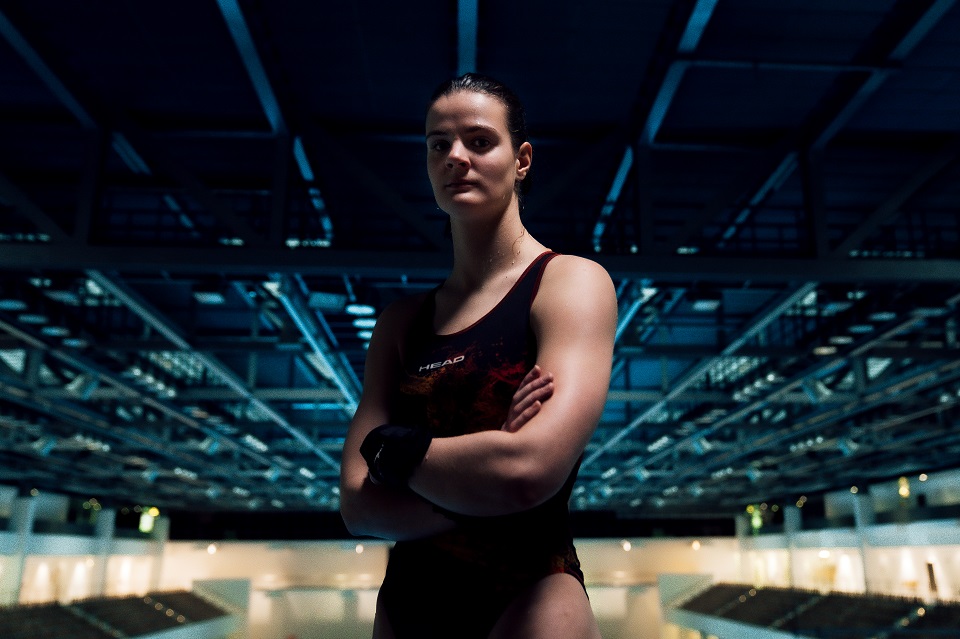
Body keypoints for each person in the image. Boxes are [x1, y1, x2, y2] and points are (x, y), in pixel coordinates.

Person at [340, 73, 617, 638]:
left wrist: (400, 453)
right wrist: (482, 471)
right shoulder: (400, 324)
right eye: (438, 144)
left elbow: (526, 470)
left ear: (521, 160)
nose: (455, 157)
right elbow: (359, 505)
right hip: (408, 605)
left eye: (479, 141)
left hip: (531, 594)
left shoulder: (568, 284)